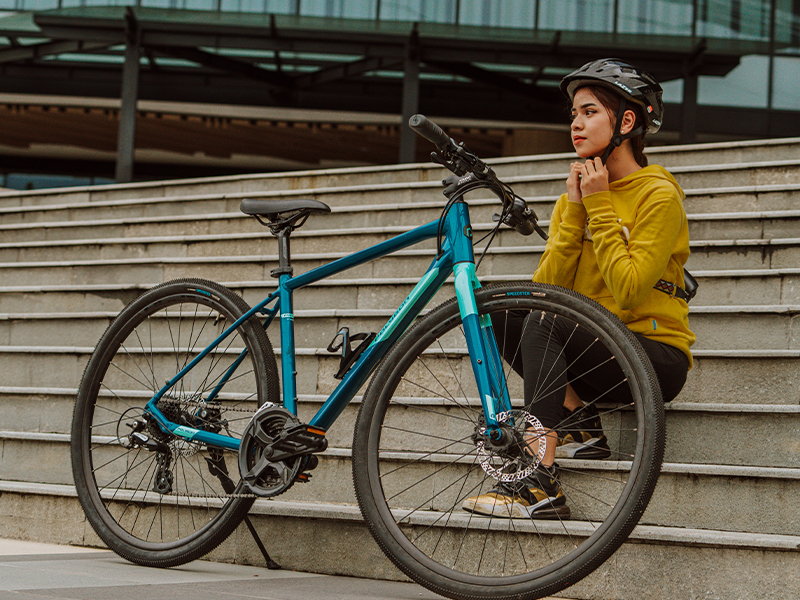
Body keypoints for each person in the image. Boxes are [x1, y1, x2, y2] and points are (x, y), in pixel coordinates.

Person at [462, 58, 696, 519]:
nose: (576, 123)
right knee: (503, 311)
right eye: (573, 113)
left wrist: (599, 204)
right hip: (594, 345)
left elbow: (629, 291)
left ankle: (536, 481)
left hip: (653, 356)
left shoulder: (658, 195)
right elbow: (543, 292)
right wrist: (573, 209)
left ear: (627, 121)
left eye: (589, 111)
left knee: (546, 320)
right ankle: (578, 423)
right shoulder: (578, 193)